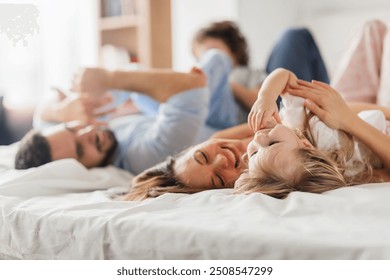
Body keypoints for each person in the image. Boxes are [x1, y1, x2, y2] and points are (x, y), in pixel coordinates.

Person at [122, 20, 390, 200]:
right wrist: (347, 119)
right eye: (218, 179)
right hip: (363, 126)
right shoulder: (291, 172)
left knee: (372, 28)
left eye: (203, 155)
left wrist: (263, 97)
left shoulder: (246, 132)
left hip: (350, 108)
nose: (222, 160)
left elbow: (314, 107)